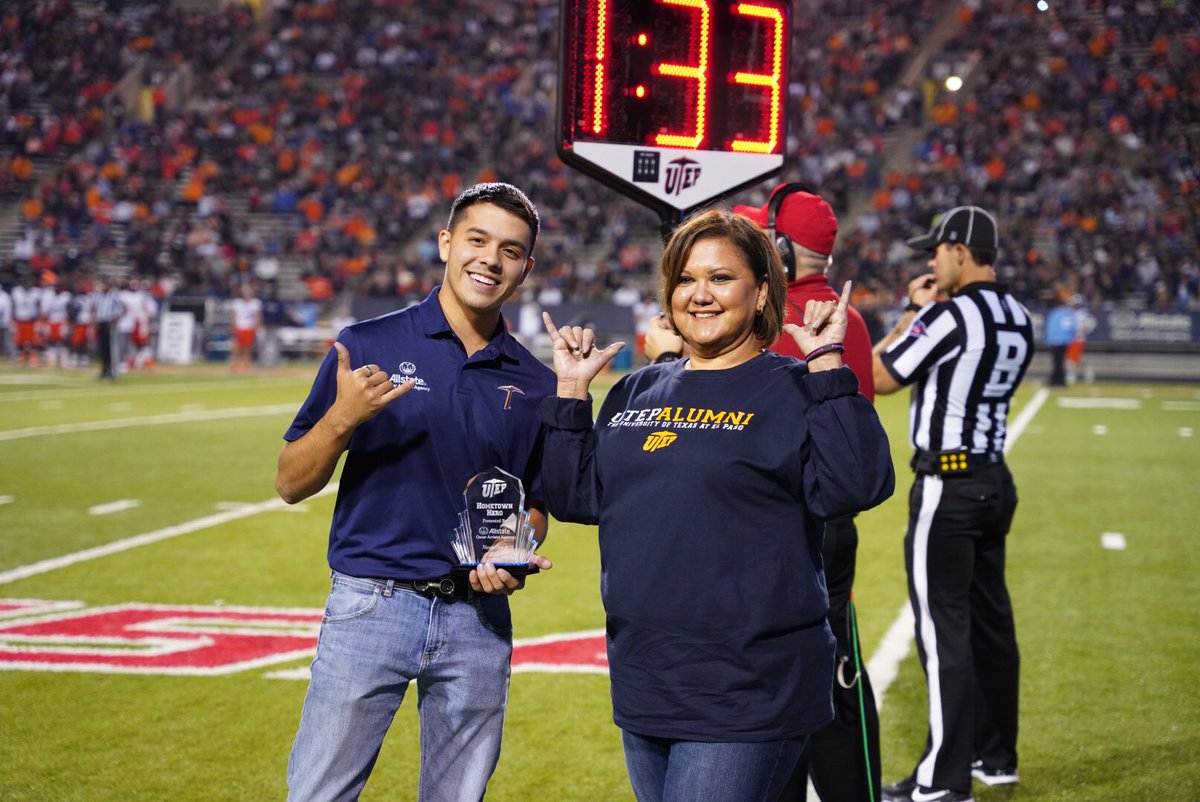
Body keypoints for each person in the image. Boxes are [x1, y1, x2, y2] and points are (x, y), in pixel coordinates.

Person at [540, 208, 895, 802]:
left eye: (721, 278)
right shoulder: (635, 388)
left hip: (750, 683)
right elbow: (578, 497)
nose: (699, 295)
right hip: (646, 675)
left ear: (761, 294)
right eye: (685, 279)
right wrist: (572, 394)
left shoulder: (794, 385)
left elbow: (857, 487)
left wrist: (830, 364)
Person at [275, 182, 555, 801]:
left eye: (510, 251)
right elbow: (291, 482)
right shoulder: (368, 344)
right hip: (371, 606)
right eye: (477, 241)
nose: (490, 259)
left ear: (526, 269)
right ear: (446, 243)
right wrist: (341, 419)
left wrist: (513, 549)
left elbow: (534, 503)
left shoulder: (535, 380)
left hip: (478, 620)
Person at [872, 206, 1033, 802]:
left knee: (944, 632)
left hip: (948, 484)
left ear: (961, 252)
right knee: (993, 622)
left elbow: (881, 376)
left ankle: (943, 780)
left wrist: (914, 311)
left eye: (937, 252)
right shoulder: (1018, 316)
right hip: (995, 477)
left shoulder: (949, 315)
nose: (931, 263)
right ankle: (997, 756)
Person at [734, 184, 881, 802]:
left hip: (779, 524)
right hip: (832, 522)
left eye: (766, 236)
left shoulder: (767, 319)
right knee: (834, 672)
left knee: (802, 688)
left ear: (783, 246)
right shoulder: (853, 319)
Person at [1043, 289, 1077, 387]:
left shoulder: (1056, 313)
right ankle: (1057, 380)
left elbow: (1051, 328)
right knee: (1059, 362)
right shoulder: (1070, 313)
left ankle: (1058, 381)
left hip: (1056, 341)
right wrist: (1070, 340)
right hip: (1065, 341)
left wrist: (1049, 340)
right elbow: (1073, 329)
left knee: (1057, 362)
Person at [229, 281, 262, 372]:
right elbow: (234, 315)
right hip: (240, 326)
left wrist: (257, 325)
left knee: (247, 347)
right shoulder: (237, 303)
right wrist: (233, 325)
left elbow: (257, 316)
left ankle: (246, 363)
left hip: (249, 327)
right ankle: (234, 363)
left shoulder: (255, 303)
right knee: (237, 347)